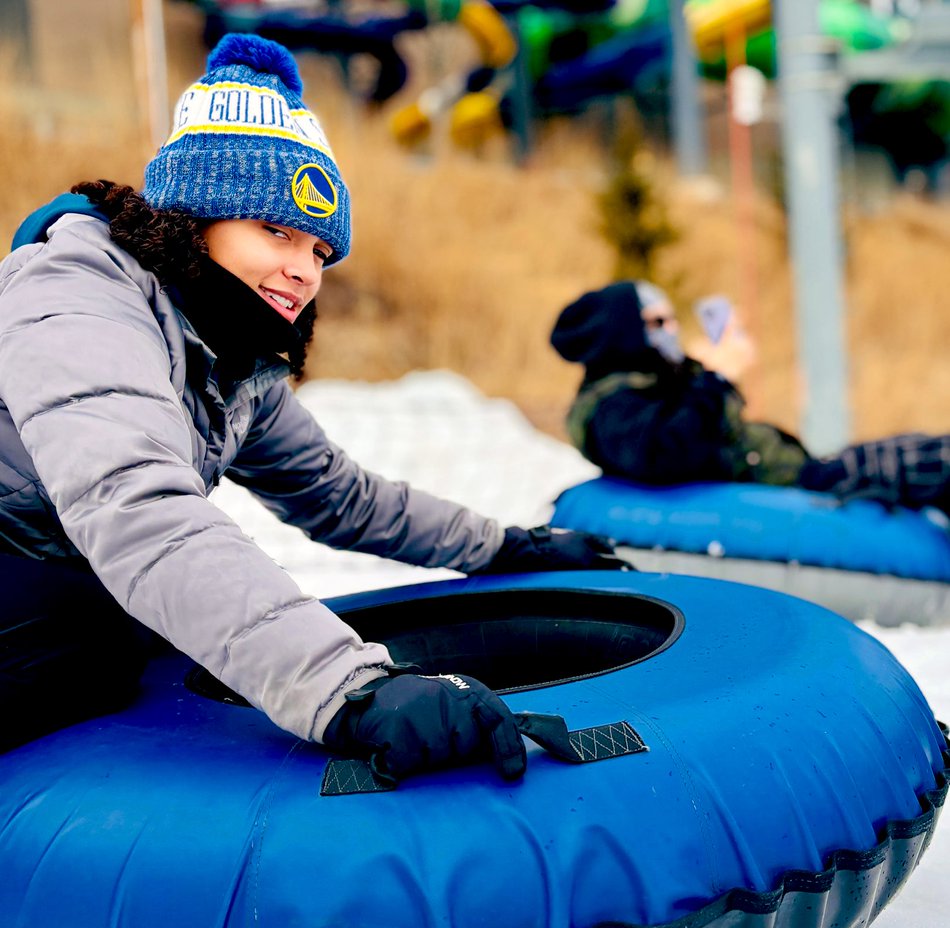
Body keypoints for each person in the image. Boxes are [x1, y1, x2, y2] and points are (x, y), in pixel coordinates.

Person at [0, 33, 626, 775]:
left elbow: (339, 496)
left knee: (150, 650)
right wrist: (351, 691)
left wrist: (504, 547)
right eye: (277, 232)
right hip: (24, 597)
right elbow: (139, 511)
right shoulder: (75, 297)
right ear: (193, 220)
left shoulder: (228, 352)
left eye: (319, 252)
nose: (302, 272)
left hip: (83, 591)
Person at [551, 279, 950, 518]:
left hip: (803, 472)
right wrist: (716, 376)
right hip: (803, 486)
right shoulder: (610, 408)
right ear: (623, 334)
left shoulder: (646, 387)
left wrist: (712, 359)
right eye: (658, 322)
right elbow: (666, 451)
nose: (672, 330)